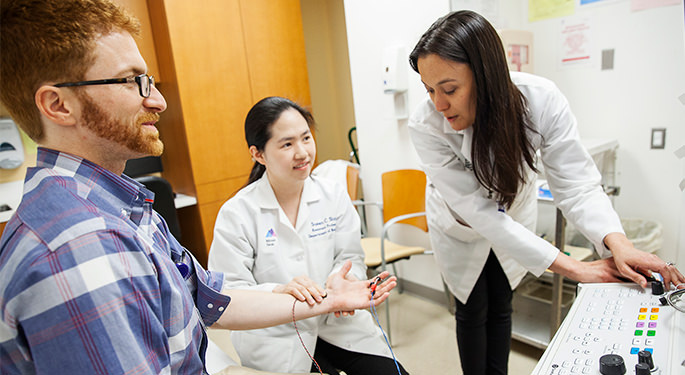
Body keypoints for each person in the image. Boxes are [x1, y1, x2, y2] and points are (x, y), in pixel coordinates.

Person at [0, 1, 396, 374]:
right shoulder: (79, 247)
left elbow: (211, 300)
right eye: (131, 81)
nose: (157, 100)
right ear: (58, 105)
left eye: (149, 80)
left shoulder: (125, 208)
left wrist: (332, 299)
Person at [406, 10, 685, 375]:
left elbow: (577, 183)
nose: (438, 105)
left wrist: (620, 245)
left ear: (486, 75)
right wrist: (578, 269)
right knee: (472, 308)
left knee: (503, 302)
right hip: (460, 229)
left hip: (513, 220)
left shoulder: (540, 100)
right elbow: (479, 212)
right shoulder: (426, 124)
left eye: (449, 89)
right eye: (429, 90)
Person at [208, 96, 408, 375]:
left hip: (338, 325)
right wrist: (279, 291)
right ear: (258, 154)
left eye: (306, 138)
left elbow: (350, 255)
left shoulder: (333, 195)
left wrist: (343, 279)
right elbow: (227, 294)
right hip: (277, 336)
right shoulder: (237, 213)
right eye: (287, 144)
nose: (302, 152)